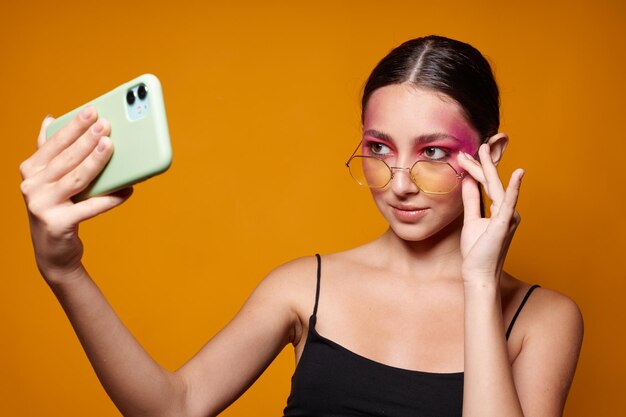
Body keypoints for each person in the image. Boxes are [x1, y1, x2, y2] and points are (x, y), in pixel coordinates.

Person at [20, 35, 583, 417]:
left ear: (491, 153)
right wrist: (65, 271)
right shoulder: (301, 287)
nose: (401, 181)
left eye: (433, 151)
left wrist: (480, 284)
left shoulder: (545, 320)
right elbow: (176, 406)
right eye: (378, 148)